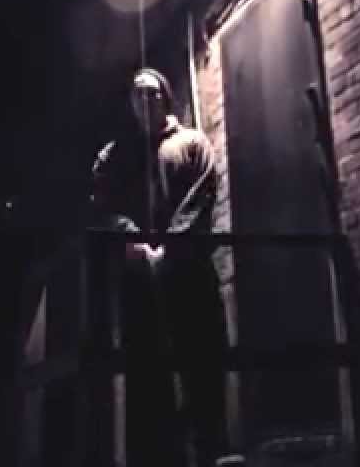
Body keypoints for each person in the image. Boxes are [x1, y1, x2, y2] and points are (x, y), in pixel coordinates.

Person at [90, 68, 236, 467]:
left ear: (165, 96)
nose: (146, 100)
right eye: (138, 94)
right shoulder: (116, 156)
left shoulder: (191, 143)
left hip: (190, 274)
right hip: (139, 283)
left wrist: (172, 245)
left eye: (152, 92)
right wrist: (132, 238)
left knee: (202, 364)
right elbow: (103, 204)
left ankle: (208, 451)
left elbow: (201, 194)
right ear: (130, 103)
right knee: (147, 373)